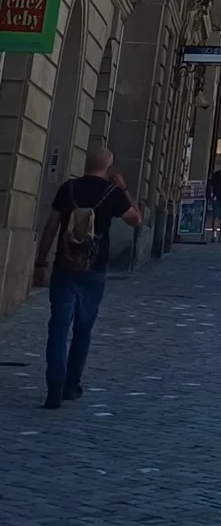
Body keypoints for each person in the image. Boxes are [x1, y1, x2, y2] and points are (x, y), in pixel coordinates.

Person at [32, 145, 142, 410]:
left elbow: (51, 227)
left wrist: (40, 262)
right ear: (109, 168)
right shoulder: (112, 192)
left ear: (86, 164)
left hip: (64, 266)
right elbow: (135, 220)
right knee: (83, 329)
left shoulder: (68, 189)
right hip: (94, 268)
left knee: (58, 327)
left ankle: (54, 385)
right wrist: (124, 189)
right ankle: (72, 385)